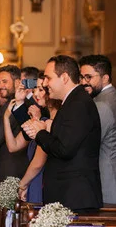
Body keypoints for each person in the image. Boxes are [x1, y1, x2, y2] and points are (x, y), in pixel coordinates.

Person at [34, 55, 102, 213]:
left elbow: (64, 148)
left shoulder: (78, 104)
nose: (45, 83)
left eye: (48, 78)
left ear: (64, 77)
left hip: (75, 197)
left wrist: (41, 133)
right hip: (68, 195)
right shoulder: (72, 102)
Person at [79, 55, 116, 205]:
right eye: (81, 77)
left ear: (105, 78)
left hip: (108, 185)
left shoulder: (103, 104)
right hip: (114, 181)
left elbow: (88, 142)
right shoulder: (111, 98)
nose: (83, 82)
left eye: (88, 77)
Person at [0, 65, 30, 183]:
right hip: (15, 168)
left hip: (9, 171)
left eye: (5, 82)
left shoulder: (11, 106)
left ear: (17, 82)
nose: (0, 86)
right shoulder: (19, 104)